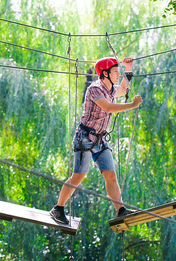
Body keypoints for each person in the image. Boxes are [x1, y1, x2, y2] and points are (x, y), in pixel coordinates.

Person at [49, 57, 143, 224]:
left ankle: (120, 210)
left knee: (111, 175)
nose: (118, 74)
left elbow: (124, 87)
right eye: (115, 72)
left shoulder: (111, 89)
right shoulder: (94, 89)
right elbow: (108, 107)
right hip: (84, 139)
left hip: (100, 140)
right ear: (105, 73)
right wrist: (132, 105)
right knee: (78, 177)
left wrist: (128, 68)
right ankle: (58, 209)